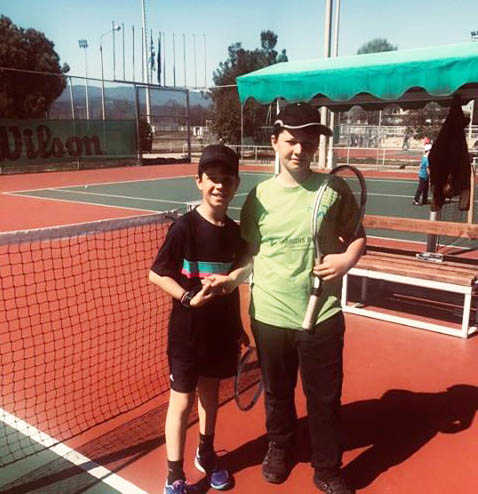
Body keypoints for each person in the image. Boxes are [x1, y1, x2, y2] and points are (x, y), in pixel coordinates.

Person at [211, 103, 366, 494]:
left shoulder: (334, 190)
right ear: (275, 143)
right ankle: (280, 448)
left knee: (325, 398)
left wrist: (347, 259)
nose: (300, 149)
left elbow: (358, 237)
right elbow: (251, 255)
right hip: (270, 314)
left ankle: (327, 468)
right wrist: (233, 279)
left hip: (322, 315)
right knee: (277, 393)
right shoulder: (258, 198)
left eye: (308, 142)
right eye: (291, 141)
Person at [149, 144, 247, 494]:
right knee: (182, 401)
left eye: (227, 179)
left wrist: (238, 328)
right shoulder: (184, 228)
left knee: (210, 395)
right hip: (187, 334)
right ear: (199, 182)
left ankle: (206, 453)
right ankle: (174, 475)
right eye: (212, 178)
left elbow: (235, 282)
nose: (219, 185)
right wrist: (188, 297)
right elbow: (157, 274)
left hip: (220, 333)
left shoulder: (234, 232)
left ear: (236, 185)